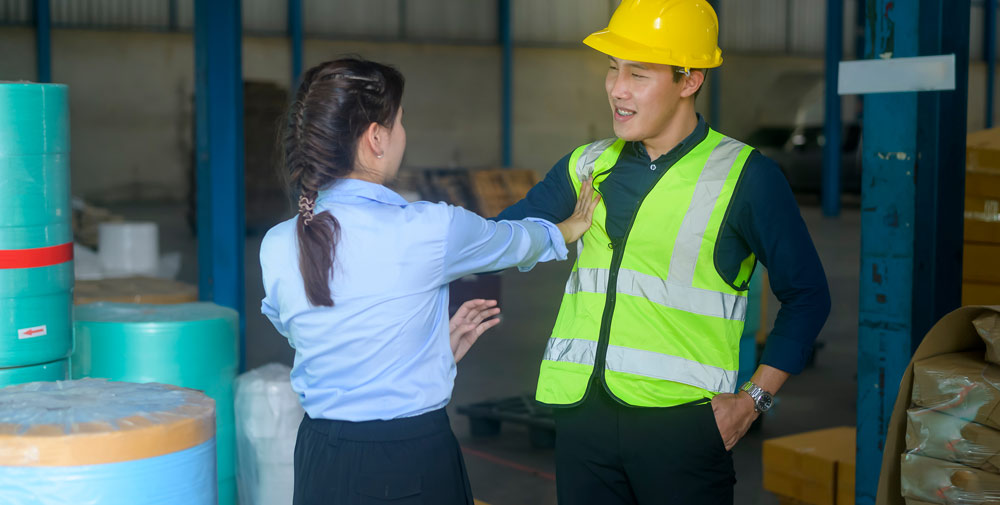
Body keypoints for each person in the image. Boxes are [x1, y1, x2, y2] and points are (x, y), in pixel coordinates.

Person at [495, 1, 832, 503]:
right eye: (612, 69)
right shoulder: (586, 165)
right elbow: (498, 239)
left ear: (689, 80)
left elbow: (808, 296)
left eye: (638, 73)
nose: (617, 89)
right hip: (581, 416)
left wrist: (753, 400)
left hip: (682, 429)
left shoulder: (744, 176)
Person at [259, 58, 600, 505]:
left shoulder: (278, 243)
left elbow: (314, 333)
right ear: (376, 138)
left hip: (321, 457)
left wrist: (427, 351)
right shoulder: (428, 228)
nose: (404, 134)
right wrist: (567, 229)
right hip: (409, 457)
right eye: (400, 122)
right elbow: (512, 241)